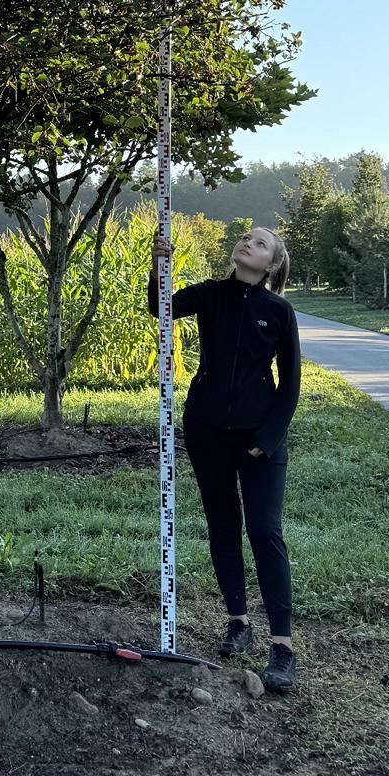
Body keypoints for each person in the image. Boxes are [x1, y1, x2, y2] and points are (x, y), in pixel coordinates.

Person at [147, 226, 302, 694]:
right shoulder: (212, 295)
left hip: (259, 438)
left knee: (264, 529)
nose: (247, 243)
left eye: (259, 244)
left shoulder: (278, 311)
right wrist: (157, 265)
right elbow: (162, 308)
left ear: (271, 264)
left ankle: (283, 646)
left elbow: (290, 381)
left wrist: (269, 438)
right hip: (207, 429)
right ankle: (238, 621)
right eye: (245, 239)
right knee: (222, 523)